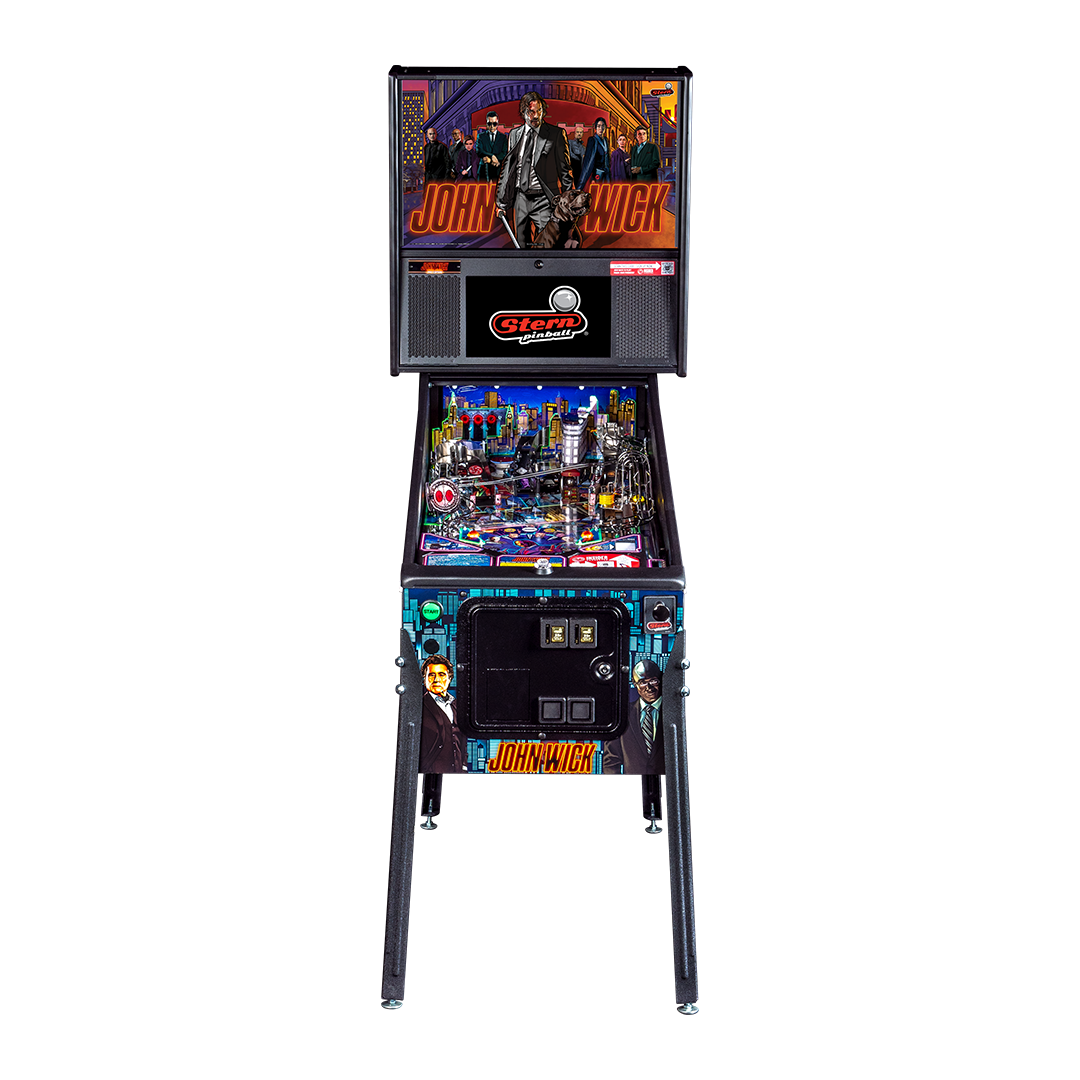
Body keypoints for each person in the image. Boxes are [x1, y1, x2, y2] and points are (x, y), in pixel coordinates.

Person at [494, 91, 573, 248]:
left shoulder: (556, 134)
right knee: (521, 245)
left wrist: (569, 203)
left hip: (544, 199)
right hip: (520, 199)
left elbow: (565, 171)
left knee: (548, 245)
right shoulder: (515, 135)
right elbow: (508, 169)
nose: (536, 116)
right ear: (523, 112)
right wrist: (501, 202)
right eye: (531, 112)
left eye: (539, 111)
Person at [602, 659, 664, 774]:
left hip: (668, 783)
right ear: (634, 684)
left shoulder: (675, 712)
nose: (649, 687)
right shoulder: (622, 714)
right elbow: (611, 760)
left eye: (654, 681)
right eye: (642, 682)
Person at [418, 654, 465, 773]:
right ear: (424, 679)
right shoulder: (418, 706)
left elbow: (462, 740)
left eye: (441, 674)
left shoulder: (457, 706)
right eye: (431, 675)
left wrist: (463, 766)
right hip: (432, 774)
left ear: (450, 678)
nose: (436, 679)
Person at [578, 117, 611, 189]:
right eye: (598, 126)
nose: (601, 128)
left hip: (606, 174)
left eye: (603, 126)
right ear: (595, 128)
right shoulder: (592, 140)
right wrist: (592, 177)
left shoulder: (606, 140)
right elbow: (589, 160)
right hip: (597, 173)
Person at [476, 111, 507, 183]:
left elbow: (504, 153)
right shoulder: (481, 136)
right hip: (484, 170)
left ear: (497, 123)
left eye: (494, 124)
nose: (492, 126)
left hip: (497, 170)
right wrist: (492, 156)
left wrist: (491, 160)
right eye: (489, 124)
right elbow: (479, 151)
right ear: (486, 124)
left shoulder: (503, 137)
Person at [567, 122, 586, 187]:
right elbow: (569, 154)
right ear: (575, 133)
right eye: (577, 132)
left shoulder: (583, 148)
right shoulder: (570, 142)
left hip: (580, 170)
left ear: (582, 134)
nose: (579, 134)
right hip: (572, 168)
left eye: (580, 132)